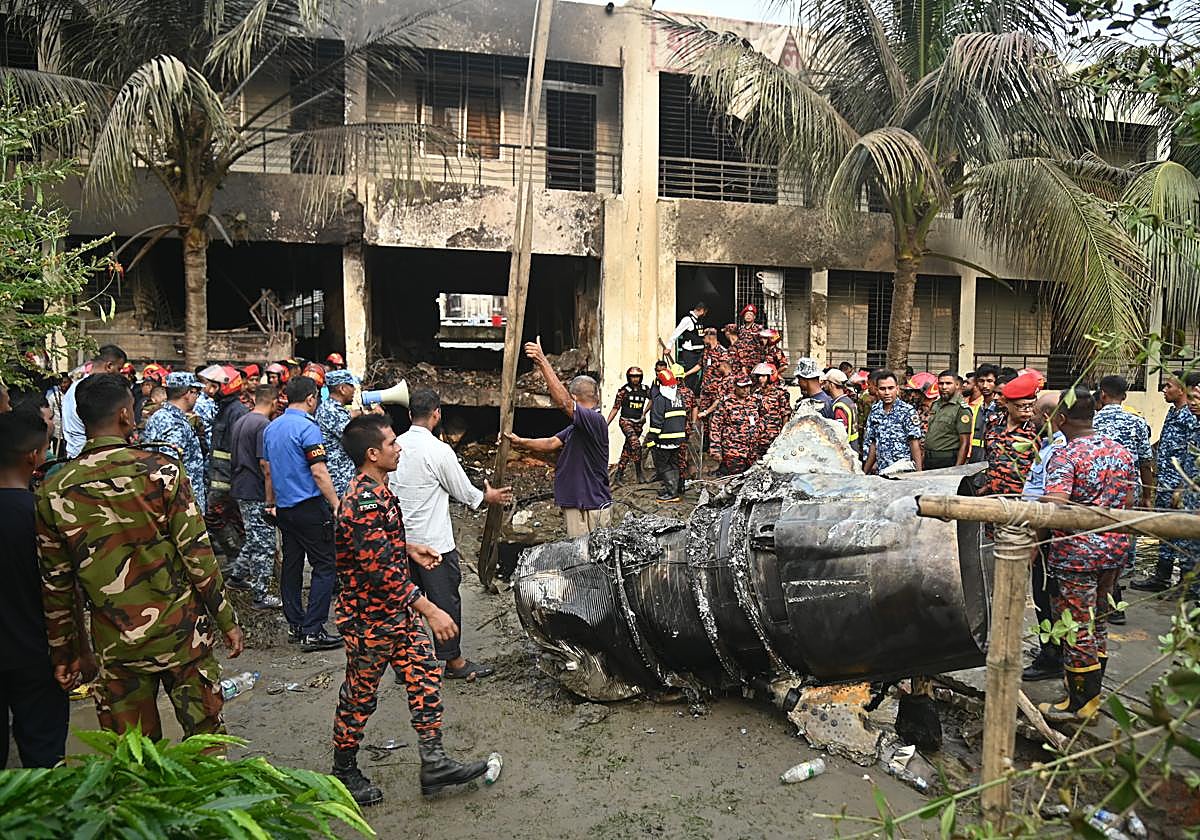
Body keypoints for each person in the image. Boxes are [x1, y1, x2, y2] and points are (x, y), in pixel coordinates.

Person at [36, 374, 243, 739]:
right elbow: (198, 556)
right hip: (182, 637)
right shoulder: (161, 472)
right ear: (125, 416)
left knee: (135, 756)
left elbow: (57, 586)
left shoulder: (54, 490)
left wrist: (64, 651)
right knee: (206, 745)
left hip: (116, 646)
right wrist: (227, 621)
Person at [332, 414, 490, 805]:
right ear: (373, 454)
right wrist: (431, 610)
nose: (398, 447)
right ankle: (344, 770)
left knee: (424, 678)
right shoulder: (363, 500)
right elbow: (379, 571)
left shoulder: (379, 492)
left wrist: (409, 547)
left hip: (396, 617)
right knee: (360, 696)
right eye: (391, 444)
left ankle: (433, 763)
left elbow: (378, 548)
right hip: (369, 621)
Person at [388, 388, 512, 679]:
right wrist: (487, 496)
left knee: (406, 602)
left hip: (400, 542)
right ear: (437, 414)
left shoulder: (393, 447)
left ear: (409, 415)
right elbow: (463, 491)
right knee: (443, 602)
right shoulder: (439, 451)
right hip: (434, 544)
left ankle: (405, 662)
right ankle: (453, 662)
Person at [1037, 387, 1137, 724]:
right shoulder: (1120, 451)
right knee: (1098, 621)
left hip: (1077, 555)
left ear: (1061, 419)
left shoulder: (1067, 456)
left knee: (1076, 624)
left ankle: (1081, 703)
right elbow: (1129, 500)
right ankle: (1091, 694)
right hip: (1115, 550)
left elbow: (1055, 505)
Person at [1, 410, 80, 768]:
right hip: (37, 656)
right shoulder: (41, 515)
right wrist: (78, 650)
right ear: (34, 456)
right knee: (44, 758)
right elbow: (61, 588)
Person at [263, 376, 343, 651]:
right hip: (309, 507)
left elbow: (269, 470)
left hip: (285, 509)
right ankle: (314, 630)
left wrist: (270, 502)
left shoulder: (271, 428)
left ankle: (296, 624)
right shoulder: (308, 428)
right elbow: (319, 471)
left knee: (292, 566)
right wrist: (336, 503)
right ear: (311, 398)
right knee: (325, 566)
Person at [505, 340, 612, 537]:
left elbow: (564, 403)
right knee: (580, 559)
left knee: (594, 560)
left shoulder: (595, 421)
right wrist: (520, 442)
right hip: (576, 501)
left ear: (574, 397)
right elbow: (551, 443)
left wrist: (542, 361)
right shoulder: (576, 428)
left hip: (592, 504)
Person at [1092, 374, 1153, 621]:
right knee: (1123, 540)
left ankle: (1104, 598)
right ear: (1124, 397)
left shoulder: (1092, 422)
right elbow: (1146, 463)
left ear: (1102, 395)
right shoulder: (1137, 422)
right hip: (1128, 491)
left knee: (1098, 539)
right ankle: (1115, 597)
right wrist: (1148, 495)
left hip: (1097, 490)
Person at [1132, 372, 1198, 592]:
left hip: (1181, 485)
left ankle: (1186, 585)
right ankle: (1162, 576)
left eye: (1168, 386)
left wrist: (1182, 486)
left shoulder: (1191, 416)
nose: (1164, 390)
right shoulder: (1173, 412)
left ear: (1182, 390)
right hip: (1165, 482)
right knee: (1165, 531)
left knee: (1184, 534)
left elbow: (1191, 454)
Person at [1021, 390, 1067, 682]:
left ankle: (1053, 656)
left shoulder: (1059, 451)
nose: (1031, 418)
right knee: (1043, 594)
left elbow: (1051, 503)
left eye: (1035, 412)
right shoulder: (1049, 445)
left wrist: (1036, 541)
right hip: (1042, 534)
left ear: (1050, 417)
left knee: (1046, 595)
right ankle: (1051, 650)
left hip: (1048, 539)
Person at [226, 385, 283, 610]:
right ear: (274, 401)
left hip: (241, 486)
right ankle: (261, 594)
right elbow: (265, 465)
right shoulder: (263, 425)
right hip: (256, 490)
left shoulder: (242, 420)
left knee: (255, 537)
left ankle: (238, 576)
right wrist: (271, 501)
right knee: (265, 544)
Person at [143, 371, 208, 515]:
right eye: (196, 393)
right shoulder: (174, 423)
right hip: (182, 505)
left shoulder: (160, 415)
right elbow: (169, 468)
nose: (197, 398)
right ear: (188, 393)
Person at [206, 365, 249, 564]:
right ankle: (239, 558)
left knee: (220, 516)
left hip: (229, 478)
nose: (209, 390)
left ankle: (238, 557)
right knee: (225, 518)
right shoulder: (223, 409)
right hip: (219, 477)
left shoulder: (237, 412)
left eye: (214, 386)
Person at [62, 344, 127, 457]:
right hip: (90, 456)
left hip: (77, 454)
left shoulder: (77, 387)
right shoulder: (95, 390)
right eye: (119, 369)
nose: (120, 374)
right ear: (109, 366)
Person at [981, 372, 1039, 496]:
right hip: (993, 494)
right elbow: (990, 458)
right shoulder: (994, 424)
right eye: (1021, 406)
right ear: (1007, 403)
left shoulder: (1037, 430)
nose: (1027, 411)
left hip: (1021, 497)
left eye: (1031, 406)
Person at [863, 371, 924, 474]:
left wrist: (918, 473)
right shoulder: (875, 410)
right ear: (877, 390)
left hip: (903, 471)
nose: (887, 392)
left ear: (897, 389)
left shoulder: (907, 411)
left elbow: (914, 442)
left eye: (890, 388)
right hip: (882, 471)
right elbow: (874, 443)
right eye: (882, 389)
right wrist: (865, 472)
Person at [645, 367, 691, 502]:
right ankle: (672, 489)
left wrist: (651, 439)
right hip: (678, 439)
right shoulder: (678, 397)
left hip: (664, 440)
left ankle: (672, 493)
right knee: (674, 463)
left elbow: (657, 422)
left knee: (663, 465)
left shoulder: (660, 399)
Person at [317, 369, 363, 499]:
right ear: (342, 388)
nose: (354, 390)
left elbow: (347, 417)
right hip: (340, 479)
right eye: (351, 386)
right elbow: (356, 437)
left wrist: (359, 413)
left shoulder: (332, 408)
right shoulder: (332, 411)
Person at [710, 376, 764, 476]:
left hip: (752, 451)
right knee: (734, 480)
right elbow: (716, 426)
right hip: (733, 450)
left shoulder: (755, 401)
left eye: (748, 386)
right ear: (735, 386)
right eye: (742, 387)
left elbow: (764, 418)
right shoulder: (726, 403)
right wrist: (716, 449)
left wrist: (759, 431)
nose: (746, 390)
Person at [607, 366, 650, 485]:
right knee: (636, 445)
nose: (635, 379)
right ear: (628, 377)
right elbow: (615, 408)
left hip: (638, 423)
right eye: (632, 376)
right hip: (626, 421)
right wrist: (606, 424)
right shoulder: (623, 391)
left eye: (637, 376)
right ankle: (639, 473)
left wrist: (645, 412)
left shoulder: (645, 389)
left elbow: (653, 399)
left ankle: (619, 475)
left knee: (628, 448)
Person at [923, 371, 972, 469]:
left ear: (957, 385)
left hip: (947, 460)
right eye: (941, 383)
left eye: (948, 383)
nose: (944, 387)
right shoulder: (935, 404)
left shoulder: (962, 409)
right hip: (929, 459)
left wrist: (957, 469)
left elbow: (965, 443)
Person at [753, 362, 792, 456]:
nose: (760, 379)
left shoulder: (780, 393)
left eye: (763, 376)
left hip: (774, 436)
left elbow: (785, 415)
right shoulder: (756, 393)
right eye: (758, 376)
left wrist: (783, 436)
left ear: (770, 377)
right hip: (759, 437)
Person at [669, 302, 708, 394]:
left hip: (700, 351)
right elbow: (676, 333)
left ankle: (695, 395)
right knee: (691, 376)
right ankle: (687, 396)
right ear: (702, 310)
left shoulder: (699, 320)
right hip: (690, 353)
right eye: (704, 312)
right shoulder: (687, 320)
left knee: (701, 375)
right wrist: (668, 346)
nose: (705, 315)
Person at [967, 363, 1000, 463]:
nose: (985, 385)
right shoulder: (976, 408)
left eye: (989, 381)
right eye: (981, 381)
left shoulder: (1001, 410)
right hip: (975, 462)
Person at [824, 368, 860, 454]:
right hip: (853, 447)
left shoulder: (839, 406)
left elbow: (840, 434)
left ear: (831, 385)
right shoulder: (848, 401)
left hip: (846, 452)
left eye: (826, 382)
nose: (823, 385)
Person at [45, 373, 70, 458]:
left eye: (65, 382)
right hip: (57, 432)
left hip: (70, 432)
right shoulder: (52, 397)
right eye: (61, 383)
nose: (63, 385)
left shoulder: (72, 395)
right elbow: (50, 414)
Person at [733, 304, 763, 374]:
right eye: (746, 314)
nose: (748, 316)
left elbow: (763, 344)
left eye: (750, 314)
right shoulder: (741, 329)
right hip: (743, 361)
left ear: (754, 317)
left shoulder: (759, 328)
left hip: (755, 360)